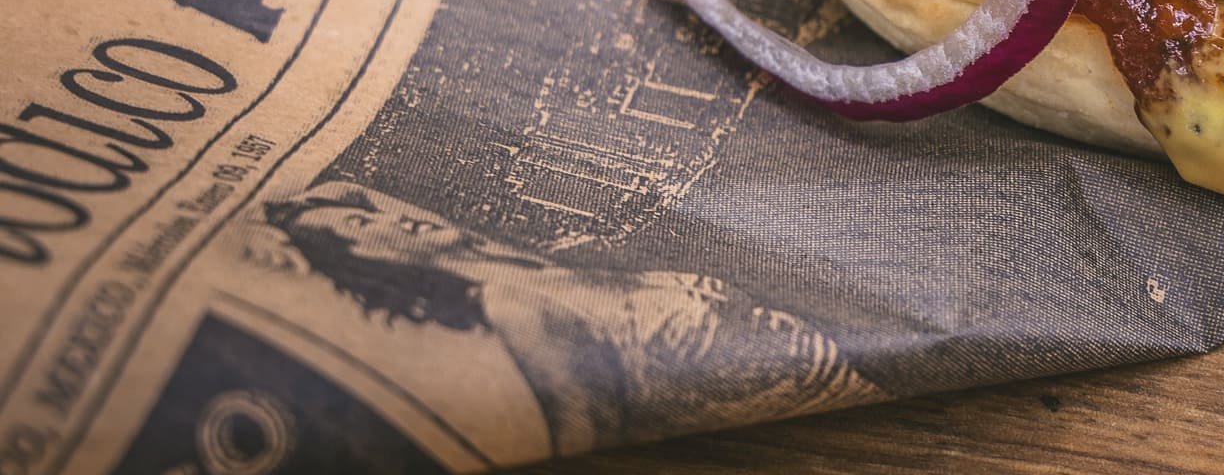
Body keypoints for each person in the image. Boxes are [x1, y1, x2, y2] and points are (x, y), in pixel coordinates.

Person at [263, 180, 877, 453]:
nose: (394, 219)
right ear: (370, 262)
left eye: (374, 211)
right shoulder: (517, 308)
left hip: (843, 363)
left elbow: (368, 202)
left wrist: (315, 210)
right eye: (362, 226)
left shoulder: (529, 259)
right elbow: (585, 425)